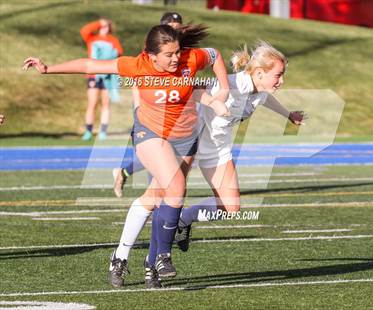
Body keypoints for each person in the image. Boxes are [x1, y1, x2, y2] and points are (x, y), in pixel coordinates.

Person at [22, 23, 230, 289]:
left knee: (159, 197)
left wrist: (221, 90)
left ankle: (126, 258)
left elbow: (214, 55)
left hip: (185, 137)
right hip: (151, 134)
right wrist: (49, 68)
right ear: (151, 55)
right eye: (169, 55)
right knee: (176, 187)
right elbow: (91, 65)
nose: (176, 58)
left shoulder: (190, 58)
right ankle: (162, 257)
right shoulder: (137, 66)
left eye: (177, 52)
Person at [173, 41, 306, 251]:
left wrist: (288, 114)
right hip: (191, 142)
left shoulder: (259, 89)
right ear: (260, 73)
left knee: (231, 207)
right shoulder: (232, 84)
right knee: (169, 196)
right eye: (278, 75)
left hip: (217, 149)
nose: (281, 81)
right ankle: (153, 253)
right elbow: (193, 90)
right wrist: (212, 103)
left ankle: (184, 220)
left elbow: (265, 99)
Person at [112, 12, 184, 198]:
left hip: (176, 107)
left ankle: (125, 173)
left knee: (172, 153)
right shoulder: (154, 48)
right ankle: (152, 199)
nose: (176, 29)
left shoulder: (180, 49)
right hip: (153, 107)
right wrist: (138, 107)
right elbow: (138, 75)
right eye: (172, 26)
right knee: (159, 153)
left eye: (179, 26)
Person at [80, 18, 123, 141]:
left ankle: (103, 131)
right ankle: (88, 130)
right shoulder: (92, 39)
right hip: (93, 75)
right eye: (103, 26)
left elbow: (119, 52)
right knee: (92, 103)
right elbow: (84, 30)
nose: (105, 28)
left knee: (106, 103)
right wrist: (99, 22)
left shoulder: (113, 40)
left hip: (108, 76)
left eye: (107, 26)